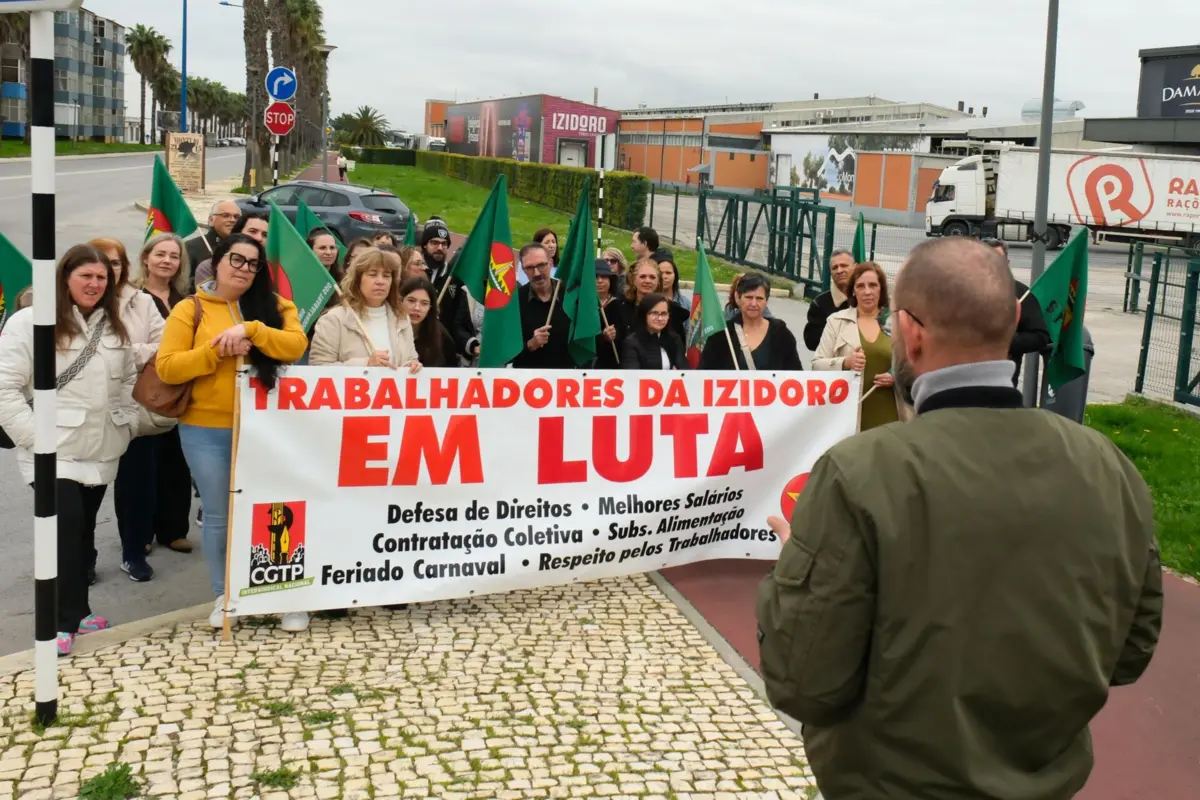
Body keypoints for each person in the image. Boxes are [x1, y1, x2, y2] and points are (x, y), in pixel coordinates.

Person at [756, 237, 1162, 800]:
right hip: (1050, 778)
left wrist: (793, 570)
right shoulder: (1107, 467)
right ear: (1015, 318)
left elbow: (804, 681)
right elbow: (1131, 651)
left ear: (909, 331)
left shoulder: (858, 474)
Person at [156, 233, 308, 632]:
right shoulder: (190, 310)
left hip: (268, 429)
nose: (243, 269)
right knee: (221, 515)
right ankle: (226, 594)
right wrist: (213, 353)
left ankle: (282, 591)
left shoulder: (275, 307)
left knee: (277, 509)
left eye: (253, 264)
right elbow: (168, 367)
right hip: (206, 429)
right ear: (218, 262)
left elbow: (294, 344)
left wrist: (254, 331)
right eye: (236, 260)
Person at [0, 245, 139, 655]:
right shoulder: (30, 322)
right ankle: (57, 623)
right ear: (64, 278)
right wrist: (36, 439)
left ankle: (78, 612)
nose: (95, 284)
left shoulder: (115, 327)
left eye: (102, 278)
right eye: (86, 276)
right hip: (51, 452)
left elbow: (128, 380)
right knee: (63, 530)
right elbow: (5, 387)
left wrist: (128, 423)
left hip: (100, 450)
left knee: (81, 534)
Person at [89, 237, 165, 582]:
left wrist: (117, 354)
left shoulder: (142, 302)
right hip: (90, 412)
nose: (108, 270)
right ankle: (83, 559)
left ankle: (134, 553)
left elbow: (162, 347)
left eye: (116, 263)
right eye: (101, 262)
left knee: (138, 487)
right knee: (87, 492)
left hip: (134, 406)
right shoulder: (78, 303)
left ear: (124, 268)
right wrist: (132, 352)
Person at [131, 234, 195, 556]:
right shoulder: (131, 297)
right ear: (146, 258)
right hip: (144, 390)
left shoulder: (187, 298)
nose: (167, 261)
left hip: (182, 390)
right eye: (161, 254)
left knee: (177, 464)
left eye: (174, 256)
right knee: (142, 467)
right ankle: (139, 534)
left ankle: (173, 530)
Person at [812, 262, 907, 430]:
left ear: (881, 289)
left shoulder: (899, 321)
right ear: (853, 291)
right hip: (846, 416)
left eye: (873, 285)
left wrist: (896, 378)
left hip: (891, 416)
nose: (867, 291)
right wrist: (845, 362)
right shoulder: (836, 321)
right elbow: (816, 365)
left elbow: (916, 366)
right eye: (860, 286)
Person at [310, 247, 421, 372]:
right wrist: (365, 364)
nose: (380, 281)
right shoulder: (333, 320)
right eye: (372, 274)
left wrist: (412, 365)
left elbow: (411, 358)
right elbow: (318, 368)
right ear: (357, 280)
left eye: (386, 276)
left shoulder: (401, 318)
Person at [982, 237, 1053, 388]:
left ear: (1007, 263)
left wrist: (1005, 341)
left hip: (1002, 383)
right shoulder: (960, 291)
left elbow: (1040, 336)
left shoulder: (1021, 294)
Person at [700, 274, 802, 371]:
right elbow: (704, 377)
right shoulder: (722, 335)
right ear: (737, 297)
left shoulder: (781, 334)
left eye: (759, 298)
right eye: (749, 297)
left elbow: (796, 375)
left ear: (766, 300)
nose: (754, 304)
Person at [421, 219, 478, 363]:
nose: (440, 247)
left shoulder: (453, 278)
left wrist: (472, 345)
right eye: (434, 243)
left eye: (444, 244)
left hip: (443, 354)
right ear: (424, 245)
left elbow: (459, 321)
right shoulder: (415, 272)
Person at [512, 242, 573, 369]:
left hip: (567, 381)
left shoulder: (570, 295)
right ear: (523, 270)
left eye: (541, 265)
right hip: (528, 381)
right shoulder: (515, 301)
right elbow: (505, 351)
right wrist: (530, 345)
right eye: (529, 267)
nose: (536, 273)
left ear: (551, 263)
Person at [194, 211, 269, 286]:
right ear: (238, 232)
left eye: (265, 235)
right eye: (252, 231)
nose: (259, 238)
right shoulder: (208, 267)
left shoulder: (273, 269)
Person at [803, 248, 854, 351]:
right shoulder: (819, 304)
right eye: (835, 268)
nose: (839, 271)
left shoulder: (866, 298)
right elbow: (812, 343)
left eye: (844, 265)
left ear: (855, 267)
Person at [400, 276, 457, 367]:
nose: (417, 308)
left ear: (430, 308)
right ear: (401, 301)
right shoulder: (386, 328)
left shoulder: (441, 336)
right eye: (411, 301)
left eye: (424, 303)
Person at [621, 293, 687, 370]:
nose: (660, 318)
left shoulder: (674, 339)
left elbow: (684, 369)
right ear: (644, 314)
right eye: (654, 313)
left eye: (664, 314)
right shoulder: (632, 342)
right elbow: (632, 373)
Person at [187, 200, 241, 290]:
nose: (232, 220)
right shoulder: (191, 247)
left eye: (236, 217)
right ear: (211, 220)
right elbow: (182, 283)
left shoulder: (245, 247)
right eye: (226, 215)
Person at [593, 258, 627, 369]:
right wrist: (602, 337)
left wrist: (612, 336)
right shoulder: (582, 306)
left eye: (603, 277)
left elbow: (623, 335)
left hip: (611, 364)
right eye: (595, 276)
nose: (599, 281)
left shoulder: (619, 305)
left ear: (610, 280)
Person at [650, 250, 691, 340]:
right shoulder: (648, 301)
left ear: (675, 275)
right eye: (661, 273)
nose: (664, 276)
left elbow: (689, 332)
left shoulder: (685, 303)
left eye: (668, 273)